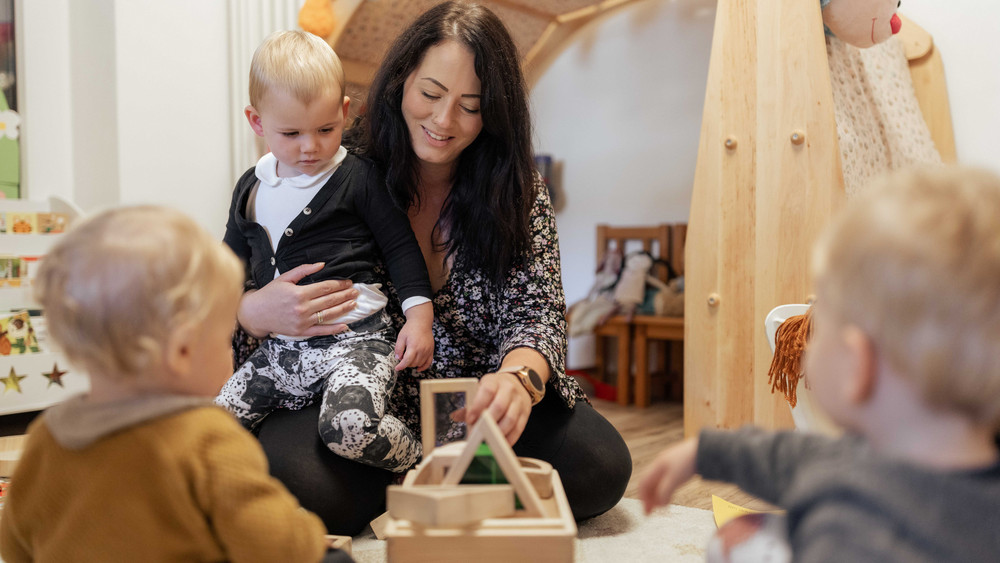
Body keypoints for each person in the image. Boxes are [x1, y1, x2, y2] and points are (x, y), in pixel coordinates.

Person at [231, 2, 632, 535]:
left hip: (478, 404)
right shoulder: (335, 166)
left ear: (495, 110)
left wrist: (517, 379)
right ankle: (442, 481)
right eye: (431, 94)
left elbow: (537, 310)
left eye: (471, 105)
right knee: (292, 476)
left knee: (599, 467)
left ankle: (426, 488)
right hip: (361, 396)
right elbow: (238, 275)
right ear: (401, 83)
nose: (445, 121)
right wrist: (253, 309)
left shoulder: (516, 187)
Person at [639, 166, 1000, 562]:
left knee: (734, 543)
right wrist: (704, 452)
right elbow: (809, 459)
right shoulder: (881, 460)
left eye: (818, 318)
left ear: (857, 365)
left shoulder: (850, 533)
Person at [0, 206, 349, 563]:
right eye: (224, 335)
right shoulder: (206, 438)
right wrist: (308, 534)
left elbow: (15, 548)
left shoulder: (47, 438)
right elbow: (277, 546)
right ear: (183, 350)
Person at [218, 30, 434, 472]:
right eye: (291, 133)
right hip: (281, 351)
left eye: (325, 129)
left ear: (344, 112)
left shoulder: (359, 178)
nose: (310, 146)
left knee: (349, 428)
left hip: (358, 343)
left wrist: (419, 317)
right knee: (214, 423)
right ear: (257, 123)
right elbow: (224, 267)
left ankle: (424, 463)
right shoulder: (251, 187)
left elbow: (400, 249)